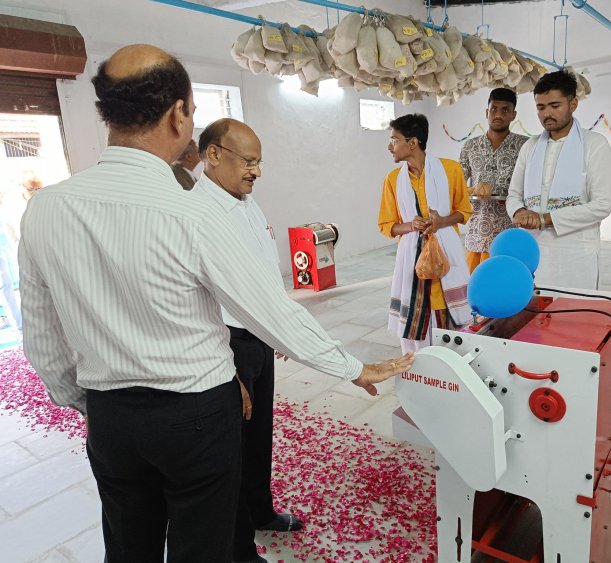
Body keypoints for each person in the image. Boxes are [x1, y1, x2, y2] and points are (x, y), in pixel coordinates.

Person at [19, 44, 413, 563]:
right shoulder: (191, 213)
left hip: (111, 416)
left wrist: (91, 403)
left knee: (128, 544)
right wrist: (350, 365)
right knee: (202, 545)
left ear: (105, 111)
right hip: (194, 415)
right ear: (179, 115)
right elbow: (270, 311)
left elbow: (42, 340)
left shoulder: (46, 208)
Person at [192, 118, 299, 563]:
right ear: (213, 155)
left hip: (255, 335)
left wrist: (272, 327)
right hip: (226, 343)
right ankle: (238, 549)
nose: (255, 171)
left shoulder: (245, 202)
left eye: (259, 163)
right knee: (230, 452)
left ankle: (261, 510)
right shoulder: (197, 212)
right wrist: (225, 365)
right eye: (249, 162)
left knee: (258, 436)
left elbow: (258, 274)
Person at [506, 70, 611, 289]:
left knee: (573, 312)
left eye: (555, 106)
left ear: (573, 104)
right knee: (535, 313)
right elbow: (514, 195)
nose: (547, 113)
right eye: (541, 107)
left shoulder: (594, 144)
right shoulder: (531, 146)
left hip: (575, 252)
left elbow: (602, 205)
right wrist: (520, 212)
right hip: (534, 248)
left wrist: (546, 218)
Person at [378, 114, 473, 354]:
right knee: (417, 314)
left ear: (413, 142)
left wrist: (441, 221)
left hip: (445, 256)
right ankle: (421, 369)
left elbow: (464, 211)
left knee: (447, 311)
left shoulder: (451, 170)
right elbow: (386, 225)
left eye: (394, 139)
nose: (390, 146)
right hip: (411, 260)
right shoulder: (392, 180)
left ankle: (451, 368)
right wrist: (412, 225)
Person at [460, 88, 528, 273]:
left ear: (513, 115)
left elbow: (533, 185)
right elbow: (457, 186)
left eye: (505, 110)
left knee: (507, 284)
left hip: (511, 229)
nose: (498, 114)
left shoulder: (525, 146)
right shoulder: (470, 146)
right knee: (476, 287)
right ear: (486, 112)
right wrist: (473, 190)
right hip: (477, 232)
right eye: (494, 109)